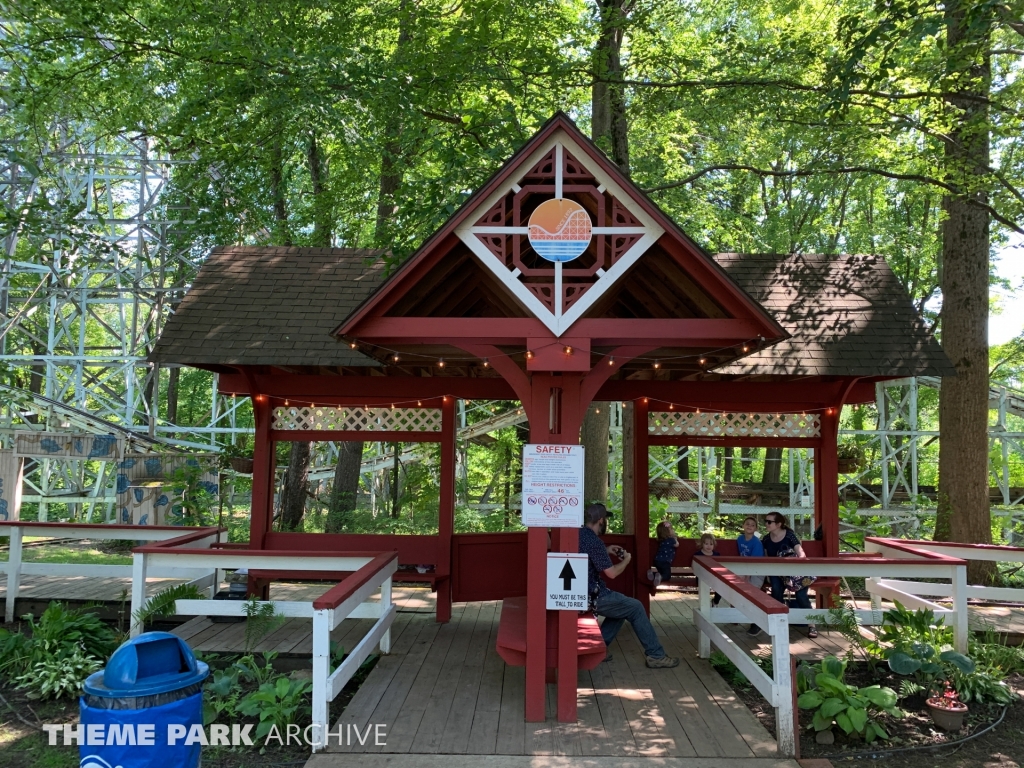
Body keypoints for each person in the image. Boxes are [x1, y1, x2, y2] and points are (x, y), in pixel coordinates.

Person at [578, 503, 680, 668]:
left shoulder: (580, 534)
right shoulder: (594, 541)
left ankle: (597, 650)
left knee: (623, 606)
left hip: (579, 591)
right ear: (601, 521)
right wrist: (626, 560)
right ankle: (656, 655)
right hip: (593, 594)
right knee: (635, 607)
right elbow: (611, 573)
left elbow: (588, 551)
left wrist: (608, 549)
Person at [761, 512, 817, 638]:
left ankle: (811, 625)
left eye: (769, 522)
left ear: (779, 524)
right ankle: (779, 623)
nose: (766, 524)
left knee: (802, 595)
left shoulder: (790, 536)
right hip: (776, 572)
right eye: (766, 521)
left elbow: (801, 553)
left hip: (794, 572)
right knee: (776, 590)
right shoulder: (765, 539)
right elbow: (765, 558)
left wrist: (798, 567)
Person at [737, 516, 767, 636]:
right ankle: (736, 615)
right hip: (745, 568)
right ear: (743, 525)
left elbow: (755, 561)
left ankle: (757, 623)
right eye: (747, 524)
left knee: (752, 593)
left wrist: (747, 575)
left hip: (757, 570)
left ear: (756, 529)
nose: (749, 526)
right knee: (734, 587)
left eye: (752, 525)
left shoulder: (756, 543)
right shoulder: (740, 539)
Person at [693, 532, 722, 607]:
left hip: (714, 576)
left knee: (721, 587)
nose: (708, 546)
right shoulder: (698, 555)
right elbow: (694, 566)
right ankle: (704, 606)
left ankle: (715, 602)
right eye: (706, 544)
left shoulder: (716, 555)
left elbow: (720, 567)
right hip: (701, 576)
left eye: (711, 544)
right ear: (702, 544)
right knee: (704, 587)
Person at [649, 520, 678, 587]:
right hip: (665, 562)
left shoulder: (661, 540)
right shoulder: (671, 540)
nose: (673, 530)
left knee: (661, 573)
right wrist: (676, 539)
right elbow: (677, 545)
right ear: (667, 532)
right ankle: (660, 577)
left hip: (657, 561)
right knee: (667, 576)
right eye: (671, 529)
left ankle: (652, 574)